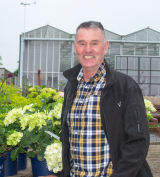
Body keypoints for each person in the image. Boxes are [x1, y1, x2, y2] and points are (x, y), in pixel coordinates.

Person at [60, 21, 152, 177]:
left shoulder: (125, 87)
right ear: (75, 47)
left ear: (105, 46)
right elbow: (69, 140)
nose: (88, 50)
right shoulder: (71, 87)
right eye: (82, 43)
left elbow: (138, 141)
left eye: (94, 43)